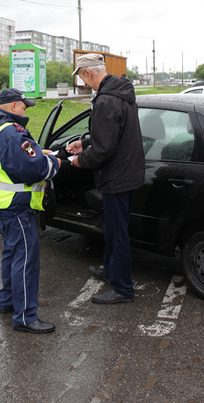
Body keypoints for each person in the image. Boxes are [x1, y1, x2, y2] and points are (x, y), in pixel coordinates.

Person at [0, 88, 61, 334]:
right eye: (24, 106)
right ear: (13, 106)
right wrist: (54, 162)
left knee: (12, 254)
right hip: (17, 205)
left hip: (1, 201)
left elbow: (11, 160)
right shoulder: (13, 132)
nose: (25, 110)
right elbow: (32, 169)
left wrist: (36, 153)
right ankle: (25, 317)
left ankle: (8, 302)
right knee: (25, 260)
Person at [65, 54, 145, 305]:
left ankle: (122, 288)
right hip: (127, 172)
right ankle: (110, 270)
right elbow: (112, 136)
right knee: (113, 228)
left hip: (117, 176)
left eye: (80, 75)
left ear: (87, 73)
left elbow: (104, 149)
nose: (81, 80)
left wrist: (80, 160)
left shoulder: (107, 100)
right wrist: (85, 142)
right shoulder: (119, 93)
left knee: (116, 232)